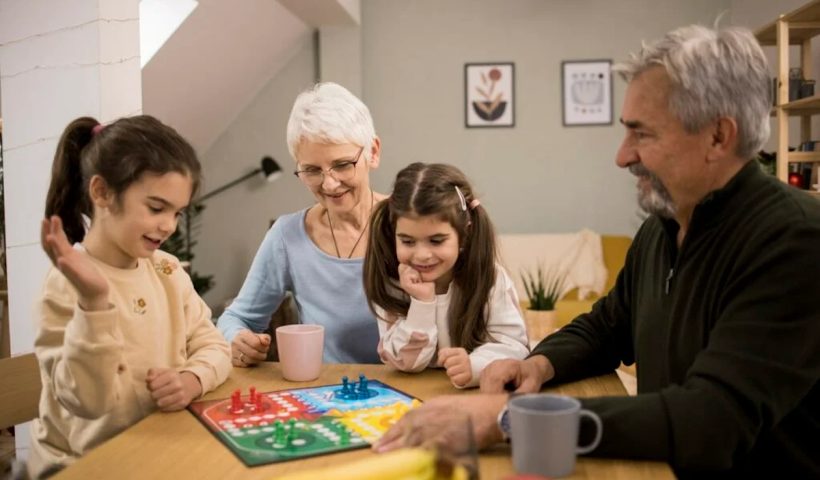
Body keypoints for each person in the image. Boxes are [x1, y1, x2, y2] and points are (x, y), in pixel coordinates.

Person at [375, 24, 820, 478]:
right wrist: (538, 365)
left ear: (718, 137)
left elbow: (711, 418)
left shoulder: (795, 241)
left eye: (642, 135)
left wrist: (505, 419)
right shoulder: (662, 227)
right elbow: (608, 326)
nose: (622, 156)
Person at [31, 116, 232, 478]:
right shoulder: (65, 285)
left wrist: (192, 379)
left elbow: (215, 346)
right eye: (156, 208)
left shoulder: (166, 270)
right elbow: (87, 403)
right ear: (102, 193)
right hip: (87, 467)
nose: (169, 225)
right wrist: (93, 303)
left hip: (161, 450)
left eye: (177, 212)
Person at [217, 82, 386, 366]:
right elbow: (236, 318)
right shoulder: (287, 236)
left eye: (343, 164)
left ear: (373, 152)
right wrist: (237, 338)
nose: (329, 183)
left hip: (414, 393)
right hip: (329, 396)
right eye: (312, 170)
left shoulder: (412, 224)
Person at [363, 163, 528, 388]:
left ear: (465, 234)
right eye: (408, 241)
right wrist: (422, 303)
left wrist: (475, 365)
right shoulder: (392, 283)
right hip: (409, 396)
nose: (421, 255)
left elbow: (515, 346)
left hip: (474, 398)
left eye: (437, 240)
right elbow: (402, 362)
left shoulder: (490, 278)